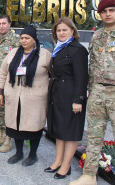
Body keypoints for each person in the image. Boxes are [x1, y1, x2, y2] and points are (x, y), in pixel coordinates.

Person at [70, 0, 115, 185]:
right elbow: (93, 65)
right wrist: (90, 91)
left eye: (111, 10)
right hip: (97, 92)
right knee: (94, 137)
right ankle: (89, 175)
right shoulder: (97, 36)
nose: (107, 14)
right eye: (104, 11)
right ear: (100, 14)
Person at [0, 25, 51, 166]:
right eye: (22, 38)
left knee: (33, 127)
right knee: (15, 126)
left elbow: (54, 74)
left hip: (34, 99)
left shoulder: (44, 55)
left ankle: (32, 155)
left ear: (34, 39)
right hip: (14, 96)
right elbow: (2, 73)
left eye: (27, 38)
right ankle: (19, 153)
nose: (24, 41)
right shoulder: (13, 53)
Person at [45, 17, 88, 179]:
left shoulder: (78, 50)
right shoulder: (59, 48)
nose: (61, 33)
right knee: (59, 129)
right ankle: (57, 161)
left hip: (71, 95)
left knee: (70, 131)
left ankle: (66, 165)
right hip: (58, 94)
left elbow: (82, 77)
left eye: (65, 30)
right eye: (58, 30)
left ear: (72, 31)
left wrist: (78, 99)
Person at [0, 15, 20, 153]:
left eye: (4, 23)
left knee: (10, 111)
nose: (1, 26)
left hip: (11, 83)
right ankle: (2, 135)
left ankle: (9, 139)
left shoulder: (16, 40)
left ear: (9, 24)